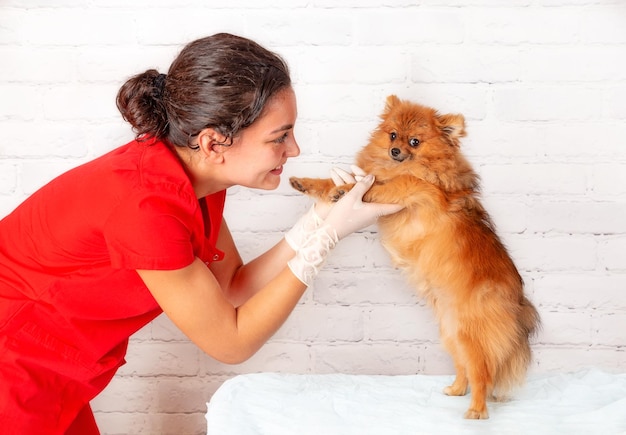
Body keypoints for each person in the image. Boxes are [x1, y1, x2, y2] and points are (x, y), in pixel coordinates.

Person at [0, 33, 402, 434]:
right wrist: (324, 241)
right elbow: (232, 343)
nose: (294, 149)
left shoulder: (194, 180)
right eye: (279, 136)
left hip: (54, 369)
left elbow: (233, 288)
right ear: (213, 142)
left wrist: (314, 223)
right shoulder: (146, 206)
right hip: (13, 367)